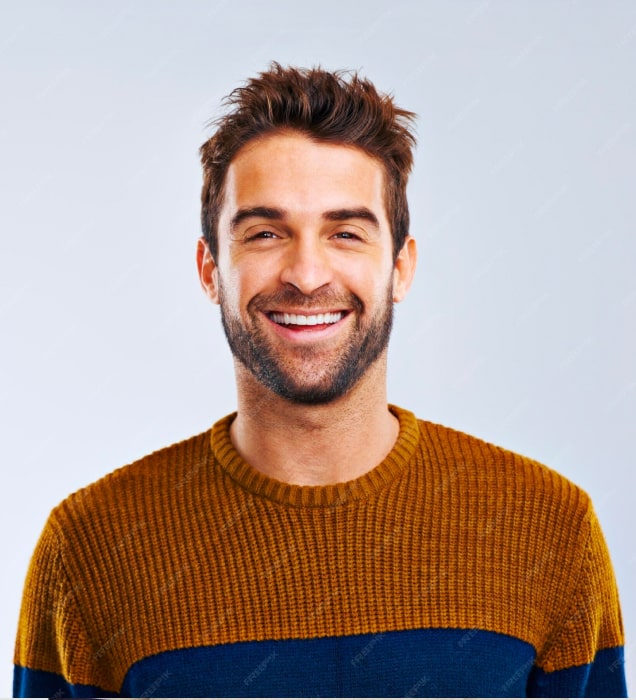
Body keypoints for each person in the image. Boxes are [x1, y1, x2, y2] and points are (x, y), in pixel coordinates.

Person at [13, 63, 626, 698]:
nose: (306, 275)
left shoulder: (550, 529)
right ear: (210, 270)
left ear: (400, 268)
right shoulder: (90, 548)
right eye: (265, 233)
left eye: (346, 233)